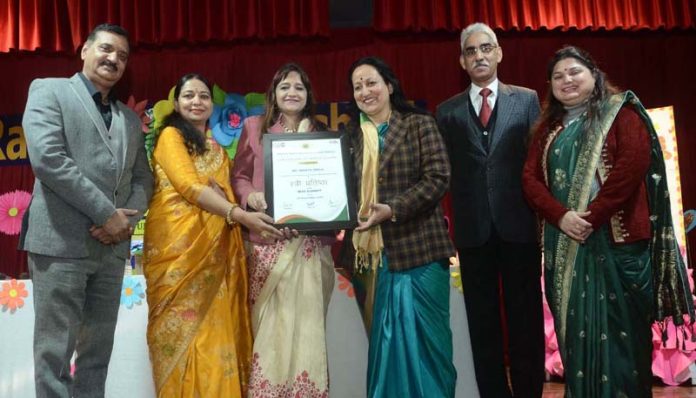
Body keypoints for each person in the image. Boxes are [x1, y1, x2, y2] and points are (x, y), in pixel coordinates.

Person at [522, 46, 694, 397]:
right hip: (566, 243)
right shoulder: (547, 130)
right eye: (558, 76)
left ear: (594, 74)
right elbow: (529, 180)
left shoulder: (622, 114)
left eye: (574, 72)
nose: (567, 80)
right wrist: (562, 216)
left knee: (623, 339)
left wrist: (591, 216)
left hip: (620, 246)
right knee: (577, 335)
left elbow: (632, 165)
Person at [19, 24, 153, 397]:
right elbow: (48, 160)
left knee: (96, 356)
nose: (114, 59)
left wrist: (124, 222)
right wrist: (105, 213)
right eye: (107, 49)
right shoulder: (49, 90)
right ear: (84, 50)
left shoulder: (128, 120)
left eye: (123, 56)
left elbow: (143, 179)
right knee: (54, 357)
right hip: (60, 247)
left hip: (109, 252)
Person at [143, 73, 284, 397]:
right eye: (189, 95)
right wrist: (236, 212)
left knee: (217, 338)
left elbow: (227, 192)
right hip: (178, 255)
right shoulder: (170, 138)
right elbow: (191, 188)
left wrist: (235, 204)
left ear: (212, 103)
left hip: (218, 256)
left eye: (204, 96)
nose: (196, 101)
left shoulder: (218, 149)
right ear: (176, 103)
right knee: (183, 338)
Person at [435, 22, 545, 398]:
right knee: (482, 324)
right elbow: (442, 173)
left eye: (486, 48)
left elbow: (537, 164)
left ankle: (529, 391)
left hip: (520, 227)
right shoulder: (446, 111)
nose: (479, 56)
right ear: (462, 61)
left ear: (499, 53)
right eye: (471, 51)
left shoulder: (527, 100)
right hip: (472, 231)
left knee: (525, 320)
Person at [342, 56, 456, 397]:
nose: (365, 91)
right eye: (358, 86)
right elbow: (340, 192)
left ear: (389, 86)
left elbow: (438, 178)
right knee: (384, 345)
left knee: (431, 346)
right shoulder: (351, 138)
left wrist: (393, 209)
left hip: (421, 249)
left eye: (372, 82)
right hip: (371, 260)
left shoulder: (419, 124)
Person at [231, 62, 336, 397]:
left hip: (308, 246)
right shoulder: (254, 127)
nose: (292, 93)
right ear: (274, 93)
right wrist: (252, 197)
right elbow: (239, 176)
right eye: (285, 87)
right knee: (268, 334)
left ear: (308, 95)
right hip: (266, 244)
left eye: (299, 88)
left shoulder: (322, 134)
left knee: (306, 330)